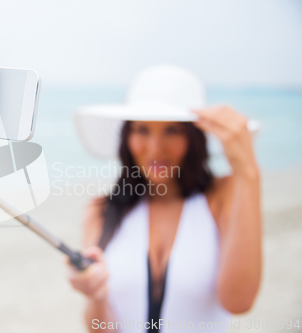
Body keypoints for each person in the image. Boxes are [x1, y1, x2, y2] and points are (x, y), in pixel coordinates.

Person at [67, 65, 262, 333]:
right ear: (127, 136)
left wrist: (248, 173)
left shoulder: (222, 195)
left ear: (194, 137)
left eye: (172, 130)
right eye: (142, 130)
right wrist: (95, 295)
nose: (155, 149)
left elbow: (238, 301)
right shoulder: (101, 209)